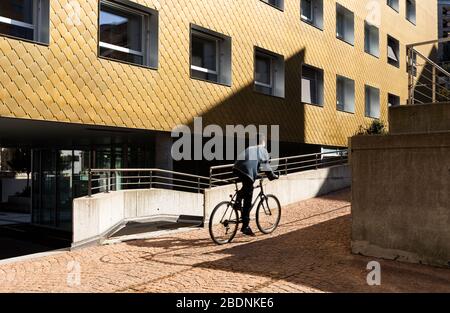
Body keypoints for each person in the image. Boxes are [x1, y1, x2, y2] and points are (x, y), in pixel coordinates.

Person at [232, 134, 279, 236]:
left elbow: (251, 163)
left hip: (236, 168)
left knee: (247, 188)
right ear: (263, 142)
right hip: (246, 172)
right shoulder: (263, 150)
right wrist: (274, 176)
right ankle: (245, 226)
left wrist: (256, 174)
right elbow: (267, 168)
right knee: (248, 196)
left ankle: (239, 203)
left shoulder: (251, 148)